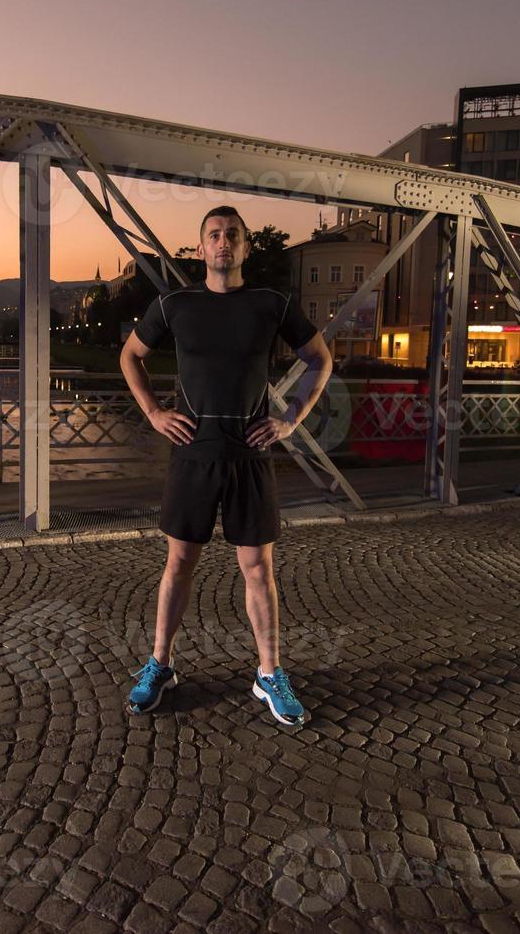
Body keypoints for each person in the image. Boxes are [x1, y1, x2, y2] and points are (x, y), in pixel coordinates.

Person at [118, 205, 333, 726]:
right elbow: (130, 355)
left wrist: (291, 419)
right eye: (213, 235)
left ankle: (268, 673)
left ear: (245, 246)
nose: (223, 243)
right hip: (192, 452)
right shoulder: (175, 303)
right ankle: (160, 665)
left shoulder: (270, 303)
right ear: (200, 247)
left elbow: (320, 359)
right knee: (178, 564)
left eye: (232, 235)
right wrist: (151, 411)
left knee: (258, 569)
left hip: (250, 453)